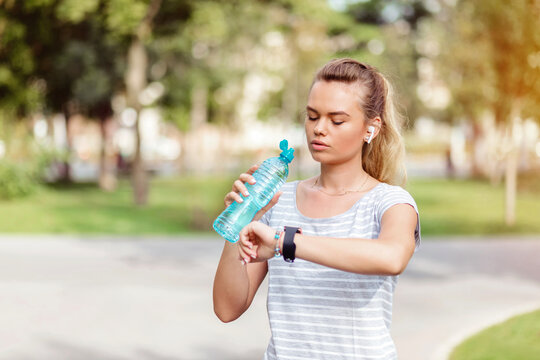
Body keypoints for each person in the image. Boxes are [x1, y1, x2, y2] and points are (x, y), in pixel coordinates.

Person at [213, 58, 420, 360]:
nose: (319, 129)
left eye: (337, 121)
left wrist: (285, 242)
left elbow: (391, 257)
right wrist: (241, 220)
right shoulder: (277, 199)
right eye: (312, 117)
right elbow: (227, 308)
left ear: (371, 129)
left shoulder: (390, 203)